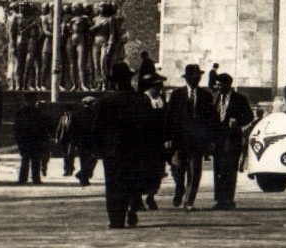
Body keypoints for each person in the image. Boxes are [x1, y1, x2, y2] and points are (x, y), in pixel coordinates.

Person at [92, 60, 154, 229]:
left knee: (113, 184)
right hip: (136, 150)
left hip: (113, 151)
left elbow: (97, 129)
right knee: (132, 182)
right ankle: (132, 209)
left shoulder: (106, 102)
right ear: (128, 80)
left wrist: (98, 150)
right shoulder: (141, 100)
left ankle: (116, 218)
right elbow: (151, 127)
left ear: (115, 82)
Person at [164, 62, 218, 211]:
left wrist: (211, 140)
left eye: (198, 76)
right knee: (178, 169)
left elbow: (211, 119)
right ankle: (179, 189)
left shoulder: (206, 95)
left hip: (197, 141)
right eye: (193, 76)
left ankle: (189, 201)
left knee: (195, 172)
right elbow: (169, 117)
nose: (196, 79)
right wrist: (167, 138)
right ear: (186, 78)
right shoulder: (176, 95)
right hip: (179, 140)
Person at [211, 73, 255, 210]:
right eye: (216, 85)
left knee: (230, 169)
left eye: (219, 85)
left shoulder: (240, 99)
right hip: (218, 139)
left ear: (227, 85)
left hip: (232, 139)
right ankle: (219, 199)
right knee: (218, 168)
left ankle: (228, 199)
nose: (217, 87)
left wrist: (238, 121)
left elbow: (249, 116)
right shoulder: (215, 98)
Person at [139, 74, 169, 208]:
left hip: (158, 142)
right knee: (143, 171)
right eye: (157, 85)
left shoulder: (161, 100)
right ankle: (138, 198)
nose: (160, 88)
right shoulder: (141, 99)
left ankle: (151, 195)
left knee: (157, 171)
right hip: (144, 142)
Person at [14, 94, 48, 185]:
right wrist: (19, 141)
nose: (32, 102)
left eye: (33, 100)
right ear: (26, 102)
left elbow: (43, 127)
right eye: (30, 101)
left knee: (35, 160)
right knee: (26, 160)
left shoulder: (37, 112)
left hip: (35, 140)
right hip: (26, 140)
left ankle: (33, 179)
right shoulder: (22, 113)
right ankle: (25, 179)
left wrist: (43, 139)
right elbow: (17, 128)